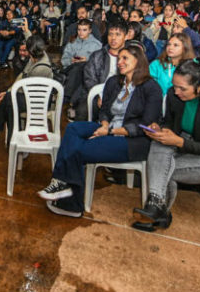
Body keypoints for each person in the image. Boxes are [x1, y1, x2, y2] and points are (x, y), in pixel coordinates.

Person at [37, 43, 162, 218]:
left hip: (132, 141)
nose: (120, 62)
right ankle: (61, 181)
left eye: (125, 58)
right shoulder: (114, 82)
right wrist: (104, 124)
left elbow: (145, 125)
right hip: (109, 128)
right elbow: (104, 109)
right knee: (73, 129)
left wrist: (111, 132)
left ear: (138, 61)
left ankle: (72, 204)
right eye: (119, 58)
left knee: (78, 150)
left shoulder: (151, 88)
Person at [132, 57, 200, 231]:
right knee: (159, 145)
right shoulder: (173, 95)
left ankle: (159, 212)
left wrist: (178, 141)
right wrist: (159, 128)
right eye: (175, 86)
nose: (176, 91)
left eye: (182, 88)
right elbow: (170, 123)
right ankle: (156, 207)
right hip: (188, 145)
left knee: (162, 169)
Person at [0, 35, 53, 142]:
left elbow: (25, 89)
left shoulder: (41, 68)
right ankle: (14, 140)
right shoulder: (37, 55)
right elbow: (22, 76)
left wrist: (8, 94)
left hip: (38, 101)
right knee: (10, 103)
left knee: (10, 101)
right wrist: (8, 91)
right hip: (30, 94)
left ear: (29, 51)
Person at [71, 21, 129, 121]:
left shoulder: (131, 57)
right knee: (82, 111)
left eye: (118, 34)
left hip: (121, 96)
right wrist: (99, 95)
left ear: (126, 36)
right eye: (110, 34)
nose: (113, 38)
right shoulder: (97, 55)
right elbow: (89, 79)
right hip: (97, 94)